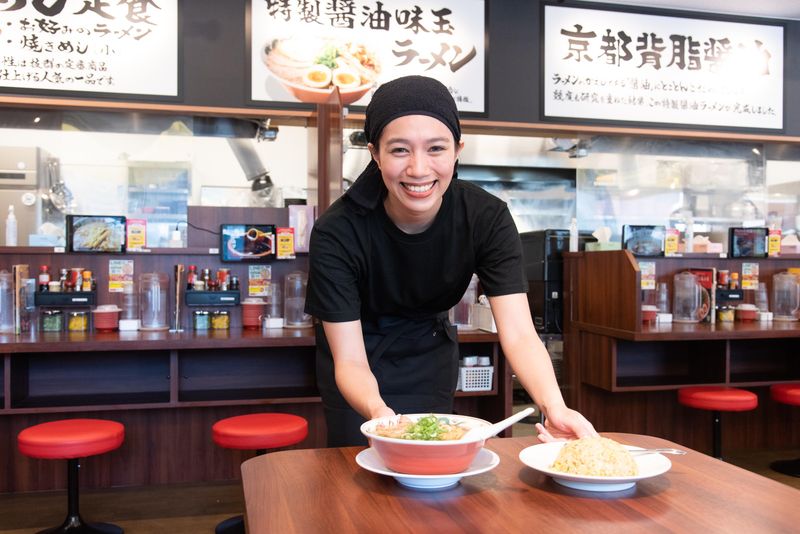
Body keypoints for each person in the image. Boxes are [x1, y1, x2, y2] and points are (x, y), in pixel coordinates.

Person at [305, 75, 597, 447]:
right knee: (362, 470)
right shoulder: (338, 231)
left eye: (436, 148)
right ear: (375, 153)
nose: (418, 168)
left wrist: (554, 406)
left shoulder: (485, 218)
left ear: (457, 149)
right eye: (399, 150)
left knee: (434, 466)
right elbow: (349, 360)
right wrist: (380, 415)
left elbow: (520, 334)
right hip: (358, 373)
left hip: (430, 358)